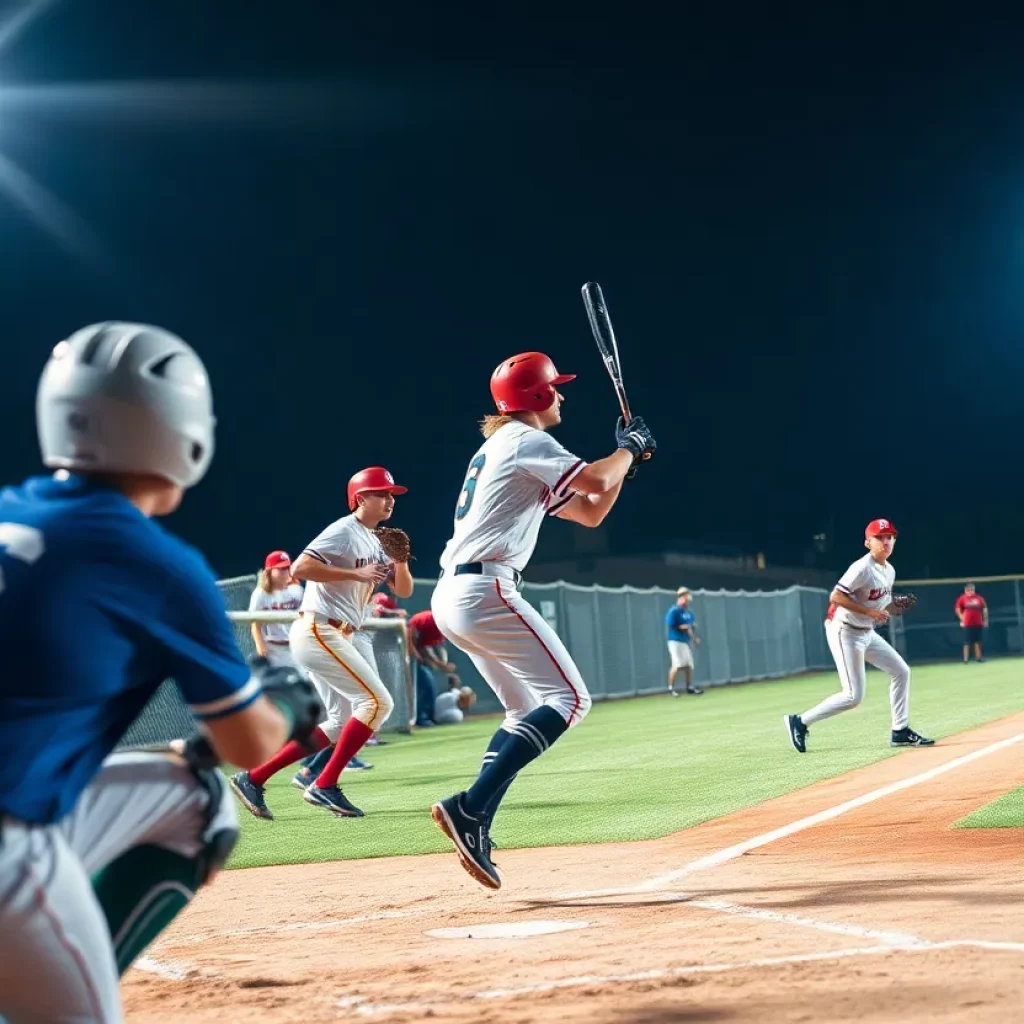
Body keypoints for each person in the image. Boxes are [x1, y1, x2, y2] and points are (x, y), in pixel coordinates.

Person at [0, 322, 321, 1024]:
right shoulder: (155, 562)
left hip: (23, 808)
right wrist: (288, 706)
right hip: (6, 843)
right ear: (181, 431)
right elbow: (246, 747)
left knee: (191, 799)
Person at [430, 350, 656, 889]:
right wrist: (626, 449)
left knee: (522, 709)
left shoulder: (507, 445)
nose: (561, 394)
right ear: (533, 396)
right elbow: (599, 480)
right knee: (571, 700)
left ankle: (475, 817)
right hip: (485, 588)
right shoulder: (528, 442)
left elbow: (592, 508)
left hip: (455, 593)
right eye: (554, 387)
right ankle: (470, 806)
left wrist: (628, 461)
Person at [230, 466, 413, 819]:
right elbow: (299, 568)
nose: (390, 499)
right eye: (382, 493)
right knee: (377, 703)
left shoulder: (377, 540)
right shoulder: (343, 530)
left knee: (340, 722)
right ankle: (325, 784)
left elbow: (402, 590)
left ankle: (253, 778)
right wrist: (353, 573)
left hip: (338, 633)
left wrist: (401, 562)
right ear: (360, 498)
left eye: (392, 494)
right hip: (319, 629)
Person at [784, 518, 934, 754]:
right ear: (868, 542)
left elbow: (882, 605)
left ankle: (900, 731)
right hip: (845, 631)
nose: (886, 541)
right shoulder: (862, 568)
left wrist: (894, 607)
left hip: (866, 631)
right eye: (879, 537)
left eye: (890, 537)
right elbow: (836, 596)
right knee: (853, 696)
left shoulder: (889, 570)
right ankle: (800, 722)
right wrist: (870, 612)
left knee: (901, 671)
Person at [249, 550, 304, 666]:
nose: (285, 572)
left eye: (287, 568)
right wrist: (260, 647)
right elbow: (255, 624)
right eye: (280, 569)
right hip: (274, 648)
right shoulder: (260, 594)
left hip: (298, 644)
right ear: (269, 571)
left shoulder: (297, 590)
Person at [407, 608, 459, 727]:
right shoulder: (430, 620)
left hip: (417, 656)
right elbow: (411, 634)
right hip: (406, 654)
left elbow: (432, 648)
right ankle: (422, 718)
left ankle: (426, 717)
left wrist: (441, 664)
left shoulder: (443, 627)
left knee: (427, 684)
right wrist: (440, 664)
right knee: (426, 685)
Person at [665, 586, 703, 696]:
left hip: (684, 642)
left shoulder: (688, 613)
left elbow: (689, 628)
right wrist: (683, 627)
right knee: (676, 665)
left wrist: (694, 638)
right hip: (675, 641)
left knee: (688, 665)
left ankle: (689, 687)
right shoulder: (674, 611)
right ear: (681, 598)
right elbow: (671, 625)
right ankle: (671, 688)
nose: (687, 601)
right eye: (686, 599)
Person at [955, 583, 988, 663]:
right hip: (967, 624)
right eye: (968, 589)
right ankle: (966, 659)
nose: (970, 591)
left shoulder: (979, 598)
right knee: (967, 642)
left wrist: (985, 620)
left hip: (978, 623)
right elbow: (958, 609)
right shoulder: (962, 598)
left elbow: (984, 609)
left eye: (972, 589)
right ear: (965, 590)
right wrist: (962, 619)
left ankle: (979, 658)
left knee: (978, 642)